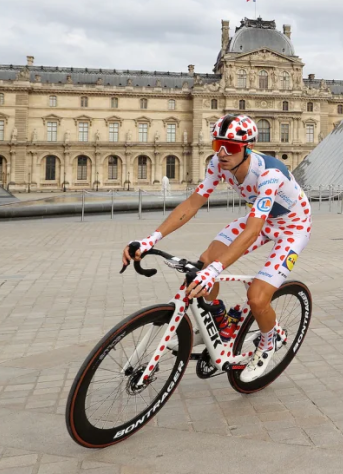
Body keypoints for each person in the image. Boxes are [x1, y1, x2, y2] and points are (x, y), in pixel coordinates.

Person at [122, 114, 311, 382]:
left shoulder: (269, 174)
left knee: (257, 298)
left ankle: (270, 340)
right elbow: (192, 203)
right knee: (206, 259)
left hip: (292, 227)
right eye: (217, 145)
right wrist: (150, 239)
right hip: (260, 218)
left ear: (247, 147)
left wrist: (216, 270)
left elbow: (253, 230)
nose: (222, 153)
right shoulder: (218, 164)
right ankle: (221, 321)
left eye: (231, 147)